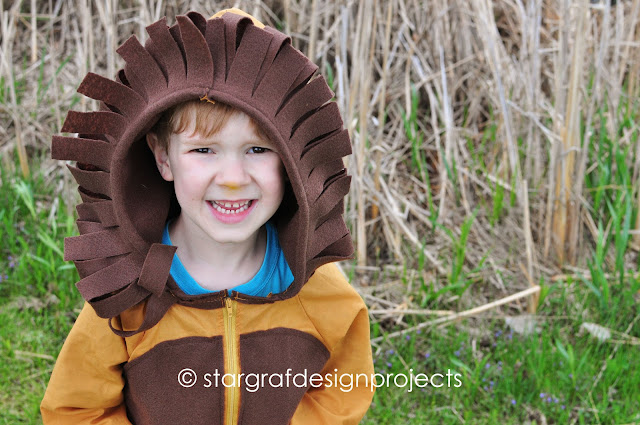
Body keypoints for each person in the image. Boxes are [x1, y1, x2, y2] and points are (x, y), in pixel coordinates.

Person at [41, 8, 374, 425]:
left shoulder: (316, 287)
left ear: (291, 163)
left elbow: (342, 393)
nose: (232, 179)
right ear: (164, 158)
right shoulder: (130, 288)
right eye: (204, 150)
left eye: (258, 149)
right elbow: (78, 409)